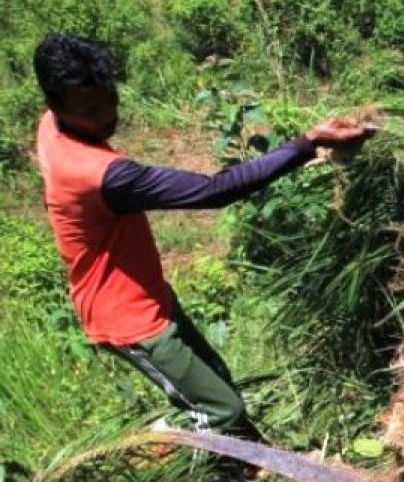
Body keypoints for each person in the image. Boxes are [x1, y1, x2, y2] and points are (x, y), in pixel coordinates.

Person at [32, 33, 372, 443]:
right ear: (57, 105)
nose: (105, 117)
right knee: (220, 410)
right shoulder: (102, 174)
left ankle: (235, 462)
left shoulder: (52, 127)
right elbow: (214, 191)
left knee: (216, 383)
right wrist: (308, 143)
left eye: (109, 100)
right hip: (130, 320)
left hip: (146, 293)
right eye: (90, 110)